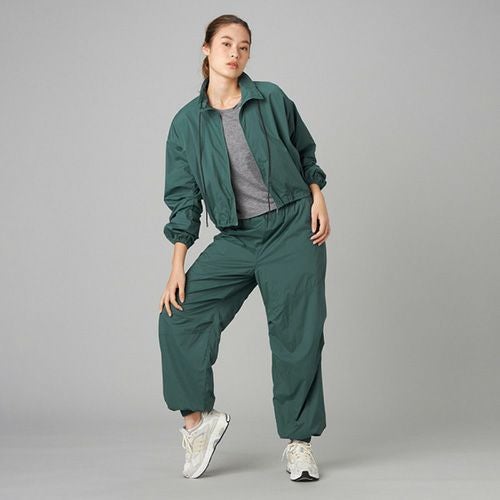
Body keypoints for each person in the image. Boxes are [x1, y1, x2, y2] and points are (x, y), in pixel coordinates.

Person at [158, 14, 331, 481]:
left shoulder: (271, 99)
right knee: (179, 317)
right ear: (206, 49)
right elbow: (183, 200)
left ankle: (298, 444)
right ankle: (198, 423)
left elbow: (305, 152)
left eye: (244, 46)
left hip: (292, 227)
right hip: (237, 236)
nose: (235, 53)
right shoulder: (186, 125)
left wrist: (318, 196)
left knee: (297, 335)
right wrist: (177, 264)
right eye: (226, 44)